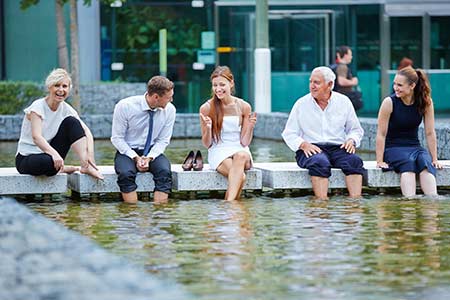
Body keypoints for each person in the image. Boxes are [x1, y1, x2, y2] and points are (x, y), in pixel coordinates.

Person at [282, 66, 365, 200]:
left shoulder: (344, 102)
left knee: (354, 161)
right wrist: (303, 145)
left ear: (330, 84)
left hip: (338, 148)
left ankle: (355, 204)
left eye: (317, 82)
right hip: (311, 148)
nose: (312, 86)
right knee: (320, 162)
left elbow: (355, 129)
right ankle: (321, 205)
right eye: (310, 82)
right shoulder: (301, 104)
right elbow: (289, 133)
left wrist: (351, 140)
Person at [15, 68, 103, 180]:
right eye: (57, 85)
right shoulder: (38, 107)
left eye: (64, 86)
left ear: (69, 89)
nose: (61, 90)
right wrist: (55, 155)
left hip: (50, 155)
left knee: (72, 122)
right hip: (26, 158)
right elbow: (36, 137)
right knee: (48, 162)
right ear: (49, 87)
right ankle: (62, 168)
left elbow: (87, 132)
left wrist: (89, 157)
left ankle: (86, 166)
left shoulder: (66, 109)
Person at [376, 66, 442, 197]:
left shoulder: (425, 102)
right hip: (393, 148)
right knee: (408, 162)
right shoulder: (389, 102)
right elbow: (381, 134)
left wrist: (434, 158)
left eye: (400, 85)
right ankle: (409, 206)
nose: (395, 88)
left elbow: (430, 132)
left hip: (414, 146)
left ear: (412, 86)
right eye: (394, 84)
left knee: (425, 163)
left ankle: (432, 206)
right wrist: (379, 160)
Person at [111, 76, 175, 204]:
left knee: (165, 172)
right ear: (156, 97)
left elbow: (163, 140)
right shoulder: (125, 106)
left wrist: (149, 157)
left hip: (152, 150)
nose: (171, 100)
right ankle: (133, 214)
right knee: (125, 174)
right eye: (168, 97)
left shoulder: (170, 110)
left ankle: (159, 214)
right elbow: (117, 138)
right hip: (128, 151)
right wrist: (135, 157)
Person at [199, 66, 257, 201]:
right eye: (215, 85)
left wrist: (250, 127)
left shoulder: (244, 106)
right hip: (219, 151)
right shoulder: (206, 108)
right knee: (240, 177)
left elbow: (244, 142)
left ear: (231, 83)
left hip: (239, 149)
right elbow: (207, 144)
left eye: (222, 84)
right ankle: (231, 209)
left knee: (241, 155)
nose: (218, 89)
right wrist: (208, 128)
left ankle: (228, 206)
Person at [330, 45, 363, 111]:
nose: (351, 57)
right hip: (342, 98)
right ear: (345, 55)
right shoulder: (342, 67)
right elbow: (341, 81)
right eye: (350, 55)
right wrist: (354, 82)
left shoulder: (335, 66)